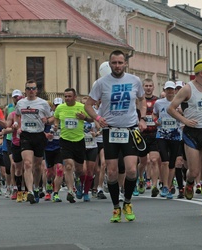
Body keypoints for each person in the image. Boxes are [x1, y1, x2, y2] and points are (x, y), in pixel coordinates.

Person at [84, 50, 147, 222]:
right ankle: (116, 207)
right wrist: (97, 117)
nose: (117, 66)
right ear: (110, 64)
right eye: (114, 63)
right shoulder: (101, 83)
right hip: (110, 130)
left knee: (132, 170)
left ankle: (127, 201)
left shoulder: (134, 80)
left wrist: (142, 119)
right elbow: (88, 105)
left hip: (130, 129)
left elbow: (142, 100)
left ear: (125, 63)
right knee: (111, 172)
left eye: (120, 63)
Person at [167, 57, 202, 216]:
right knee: (194, 171)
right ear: (200, 73)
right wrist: (185, 120)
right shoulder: (187, 89)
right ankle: (190, 182)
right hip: (192, 133)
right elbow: (171, 109)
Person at [14, 80, 52, 204]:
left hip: (39, 135)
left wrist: (47, 120)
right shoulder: (20, 103)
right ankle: (29, 191)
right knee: (27, 163)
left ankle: (36, 187)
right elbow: (17, 115)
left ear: (36, 90)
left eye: (33, 88)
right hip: (26, 135)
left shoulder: (43, 103)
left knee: (37, 166)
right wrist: (17, 124)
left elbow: (52, 117)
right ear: (25, 90)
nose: (31, 91)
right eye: (28, 89)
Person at [53, 88, 92, 203]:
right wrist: (56, 124)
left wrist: (84, 118)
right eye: (65, 96)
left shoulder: (81, 107)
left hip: (79, 140)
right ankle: (70, 191)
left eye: (69, 96)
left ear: (75, 97)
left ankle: (78, 181)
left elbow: (91, 119)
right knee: (69, 166)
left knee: (80, 170)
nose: (67, 99)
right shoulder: (60, 108)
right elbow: (56, 117)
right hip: (65, 140)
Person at [153, 81, 182, 199]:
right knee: (164, 161)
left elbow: (185, 115)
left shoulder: (179, 102)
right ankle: (164, 185)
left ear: (175, 91)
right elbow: (154, 115)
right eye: (168, 89)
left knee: (172, 163)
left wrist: (180, 112)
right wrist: (156, 121)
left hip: (175, 135)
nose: (170, 92)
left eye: (172, 89)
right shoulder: (159, 103)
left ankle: (169, 186)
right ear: (164, 90)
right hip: (162, 134)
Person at [137, 78, 160, 197]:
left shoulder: (158, 101)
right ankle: (141, 178)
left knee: (154, 160)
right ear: (143, 87)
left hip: (154, 134)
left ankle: (154, 185)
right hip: (142, 135)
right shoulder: (139, 101)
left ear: (153, 87)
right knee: (143, 162)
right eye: (146, 86)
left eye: (150, 86)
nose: (148, 88)